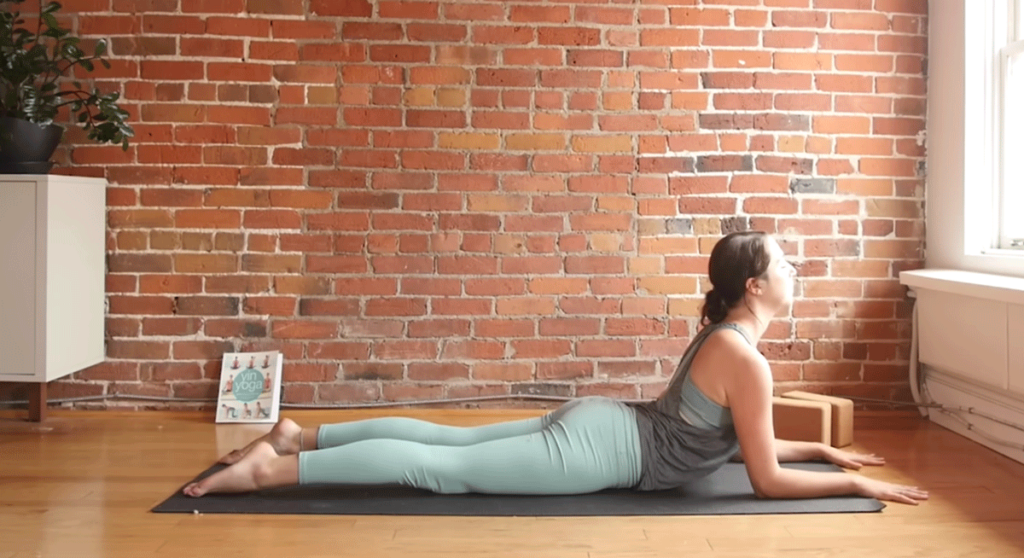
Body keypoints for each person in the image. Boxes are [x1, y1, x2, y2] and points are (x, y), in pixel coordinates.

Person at [184, 231, 928, 506]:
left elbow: (751, 445)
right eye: (783, 261)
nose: (795, 268)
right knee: (443, 471)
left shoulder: (726, 340)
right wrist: (853, 482)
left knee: (450, 441)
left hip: (603, 425)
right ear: (755, 286)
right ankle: (268, 472)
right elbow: (763, 477)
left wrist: (826, 450)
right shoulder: (747, 358)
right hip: (603, 448)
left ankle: (297, 435)